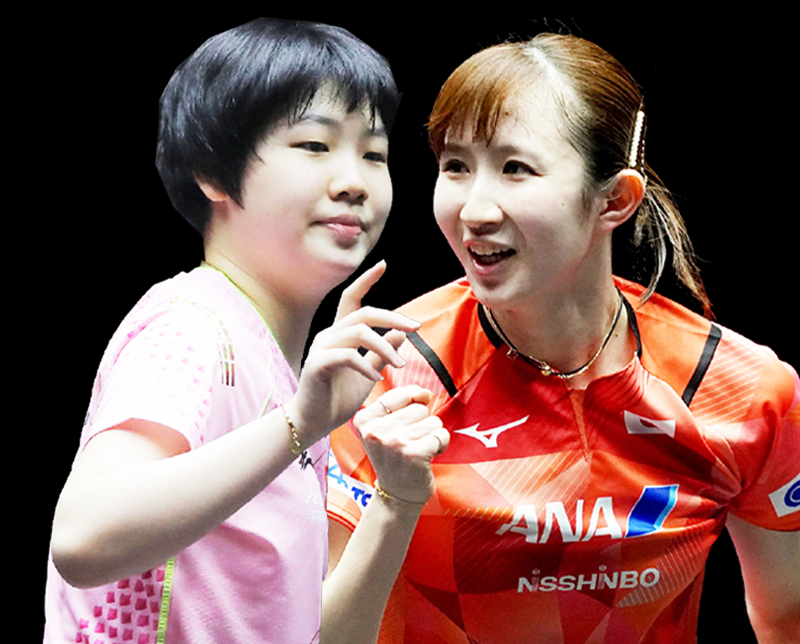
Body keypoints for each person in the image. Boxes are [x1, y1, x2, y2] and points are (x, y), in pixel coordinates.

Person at [326, 32, 800, 643]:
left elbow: (786, 618)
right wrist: (395, 500)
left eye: (515, 169)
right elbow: (325, 637)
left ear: (614, 200)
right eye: (456, 167)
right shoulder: (389, 371)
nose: (474, 210)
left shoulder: (739, 389)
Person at [43, 17, 433, 644]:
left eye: (374, 154)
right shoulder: (192, 329)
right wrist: (298, 424)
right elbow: (83, 540)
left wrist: (398, 500)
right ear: (214, 172)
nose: (354, 182)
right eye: (315, 145)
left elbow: (315, 636)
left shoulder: (283, 367)